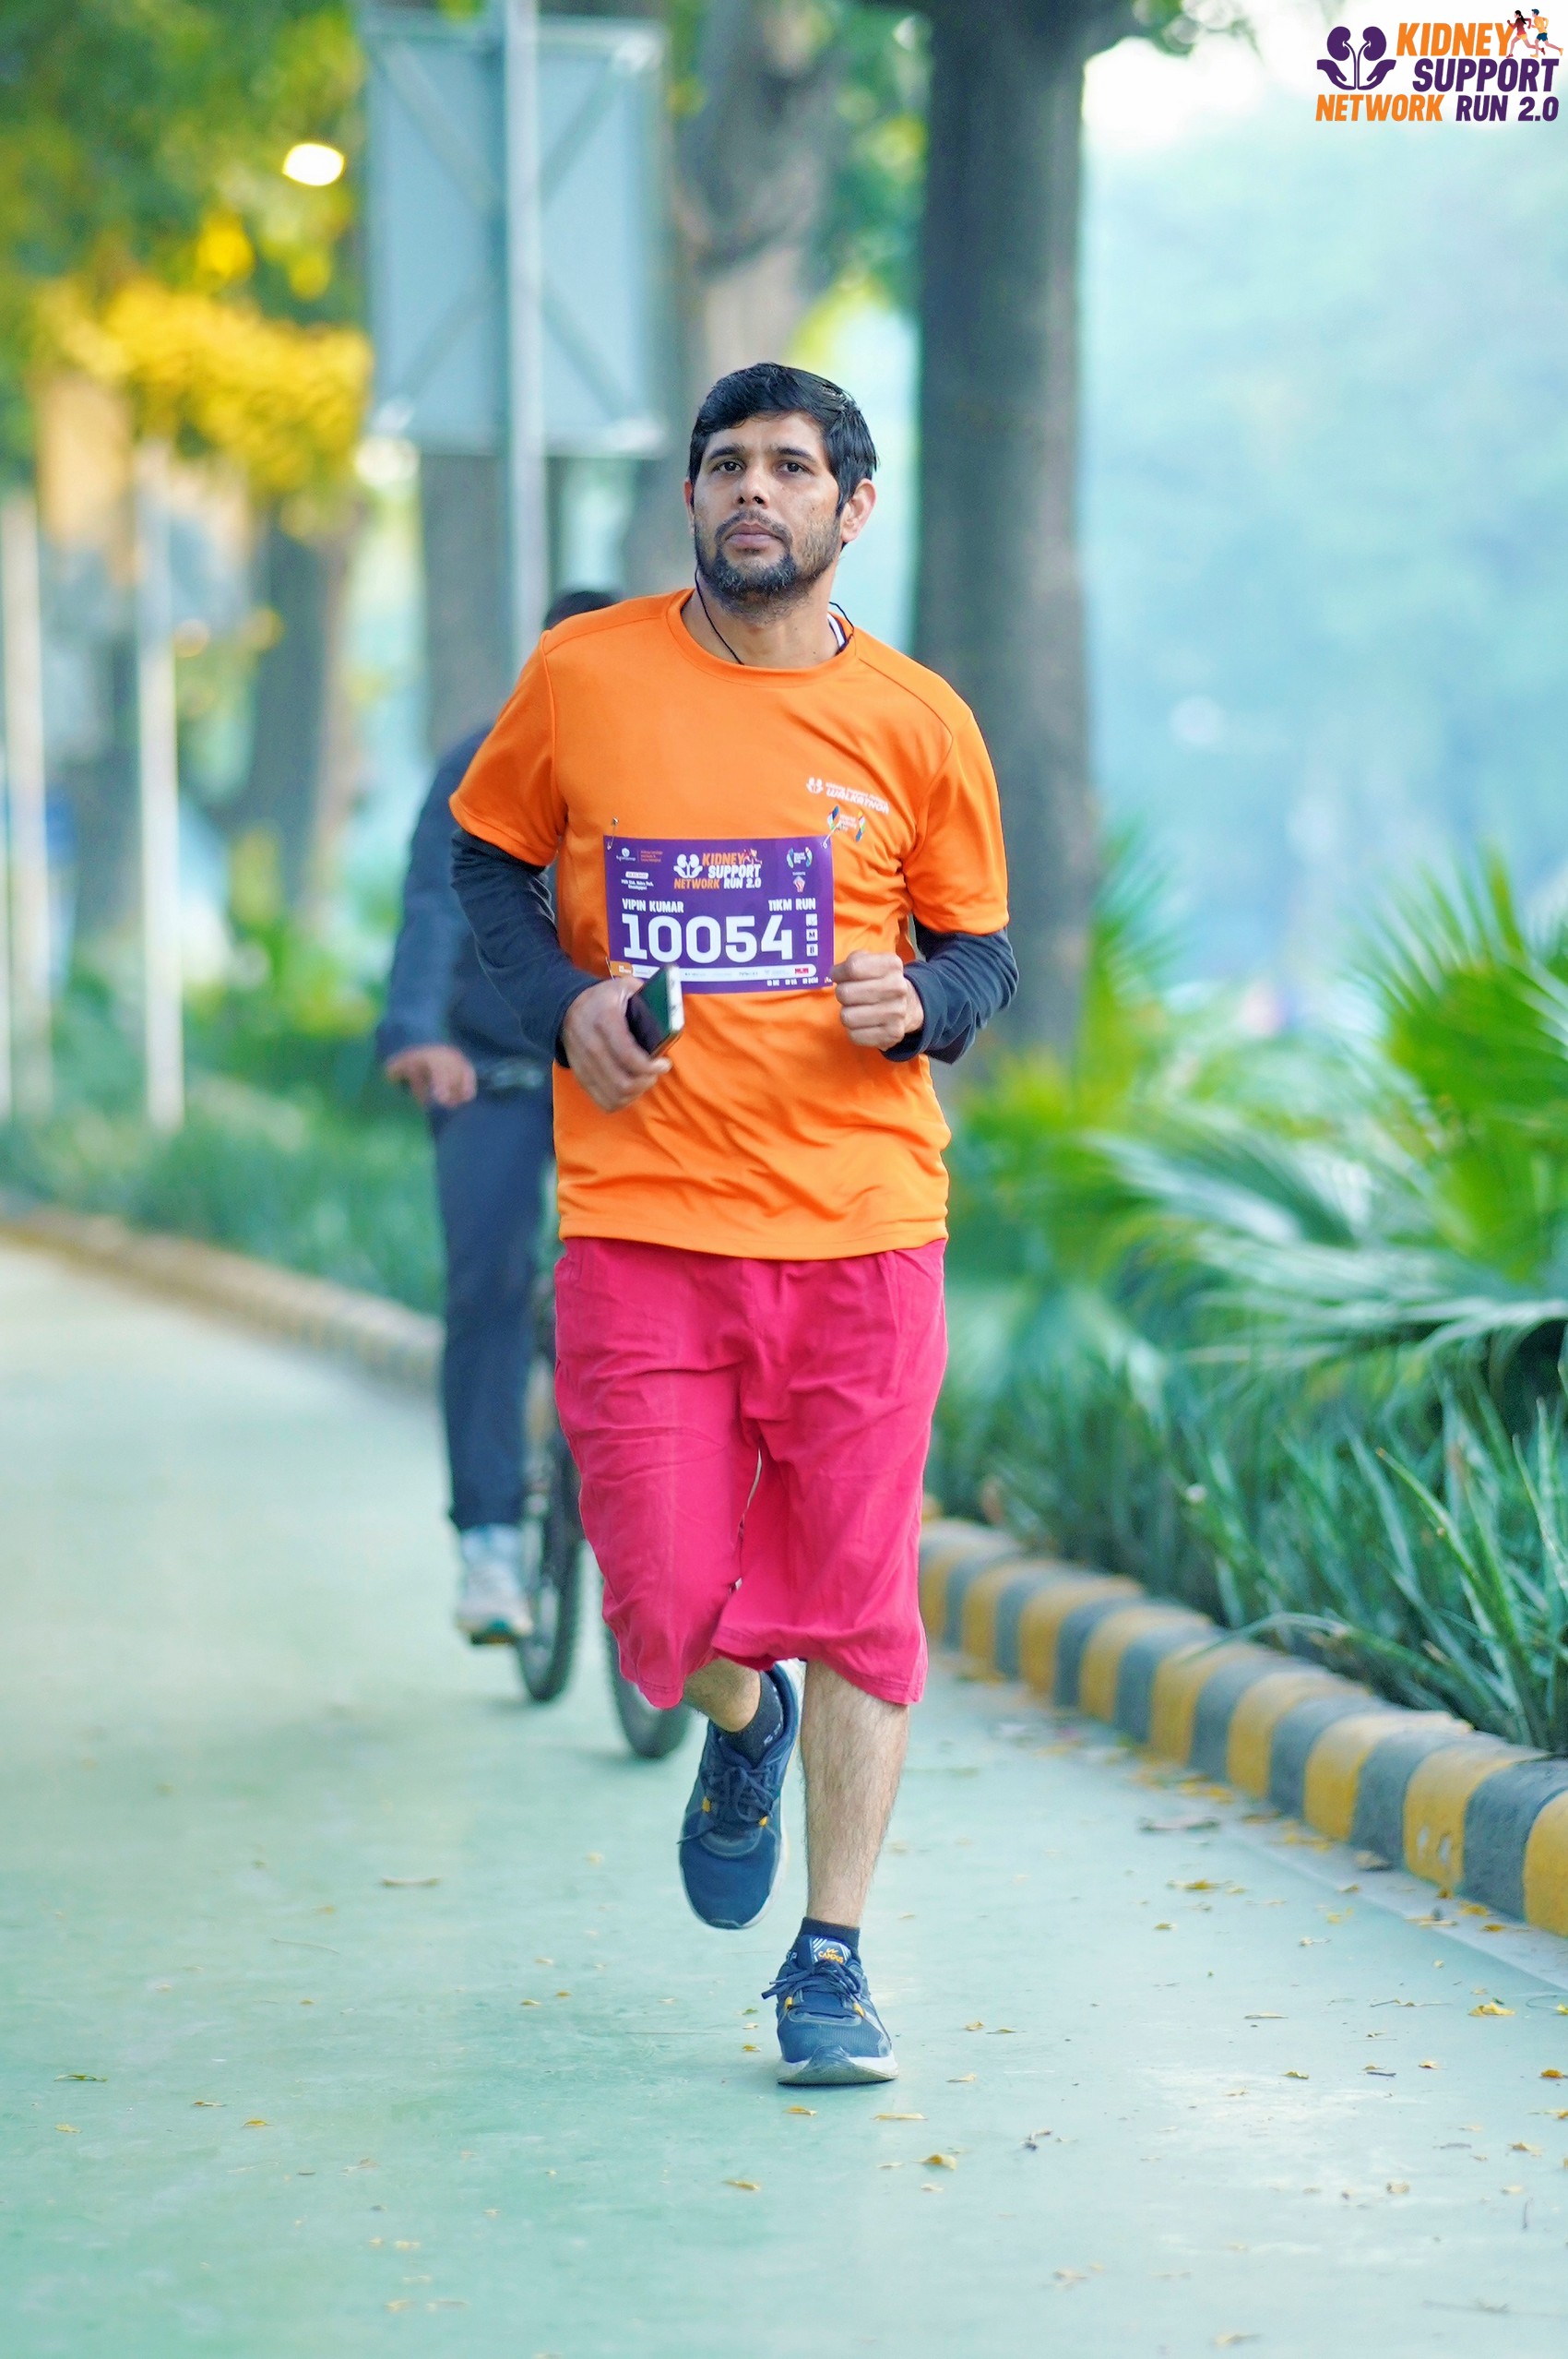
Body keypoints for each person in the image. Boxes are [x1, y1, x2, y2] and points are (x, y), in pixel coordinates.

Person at [450, 363, 1016, 2086]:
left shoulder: (919, 719)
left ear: (854, 508)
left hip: (864, 1228)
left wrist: (924, 1004)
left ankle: (830, 1956)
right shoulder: (584, 674)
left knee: (860, 1602)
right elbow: (487, 864)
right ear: (690, 497)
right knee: (655, 1602)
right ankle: (743, 1717)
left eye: (789, 466)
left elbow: (981, 949)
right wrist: (563, 1008)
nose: (751, 489)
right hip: (644, 1220)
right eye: (723, 464)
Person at [375, 588, 617, 1643]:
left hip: (624, 1069)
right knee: (488, 1282)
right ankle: (486, 1538)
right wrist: (417, 1032)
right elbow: (436, 901)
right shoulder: (482, 763)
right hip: (489, 1065)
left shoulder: (670, 764)